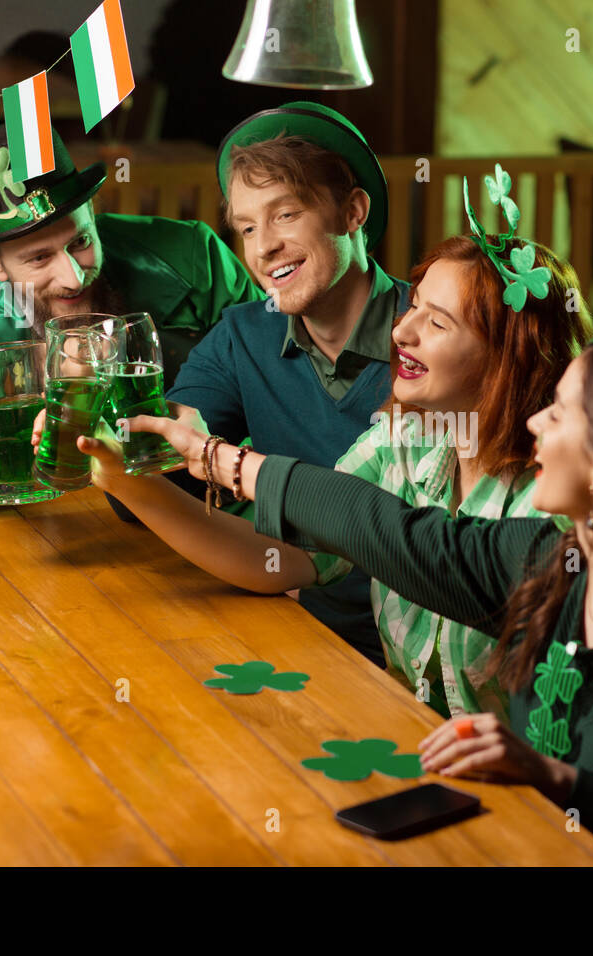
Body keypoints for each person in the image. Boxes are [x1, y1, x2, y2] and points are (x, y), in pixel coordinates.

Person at [114, 334, 593, 866]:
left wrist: (551, 778)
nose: (536, 422)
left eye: (560, 414)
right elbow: (391, 530)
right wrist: (209, 458)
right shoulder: (553, 561)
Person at [65, 229, 593, 722]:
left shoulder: (562, 502)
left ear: (507, 356)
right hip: (411, 742)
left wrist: (216, 458)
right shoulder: (402, 441)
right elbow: (280, 560)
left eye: (436, 323)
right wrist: (123, 479)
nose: (402, 331)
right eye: (412, 306)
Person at [161, 102, 408, 665]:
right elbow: (171, 448)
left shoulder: (434, 331)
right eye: (247, 228)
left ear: (353, 212)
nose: (262, 246)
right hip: (306, 639)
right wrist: (142, 439)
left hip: (442, 664)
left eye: (286, 215)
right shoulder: (243, 334)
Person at [0, 123, 261, 506]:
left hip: (217, 502)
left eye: (80, 241)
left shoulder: (193, 254)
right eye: (39, 258)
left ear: (92, 213)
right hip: (80, 526)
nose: (73, 277)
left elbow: (276, 372)